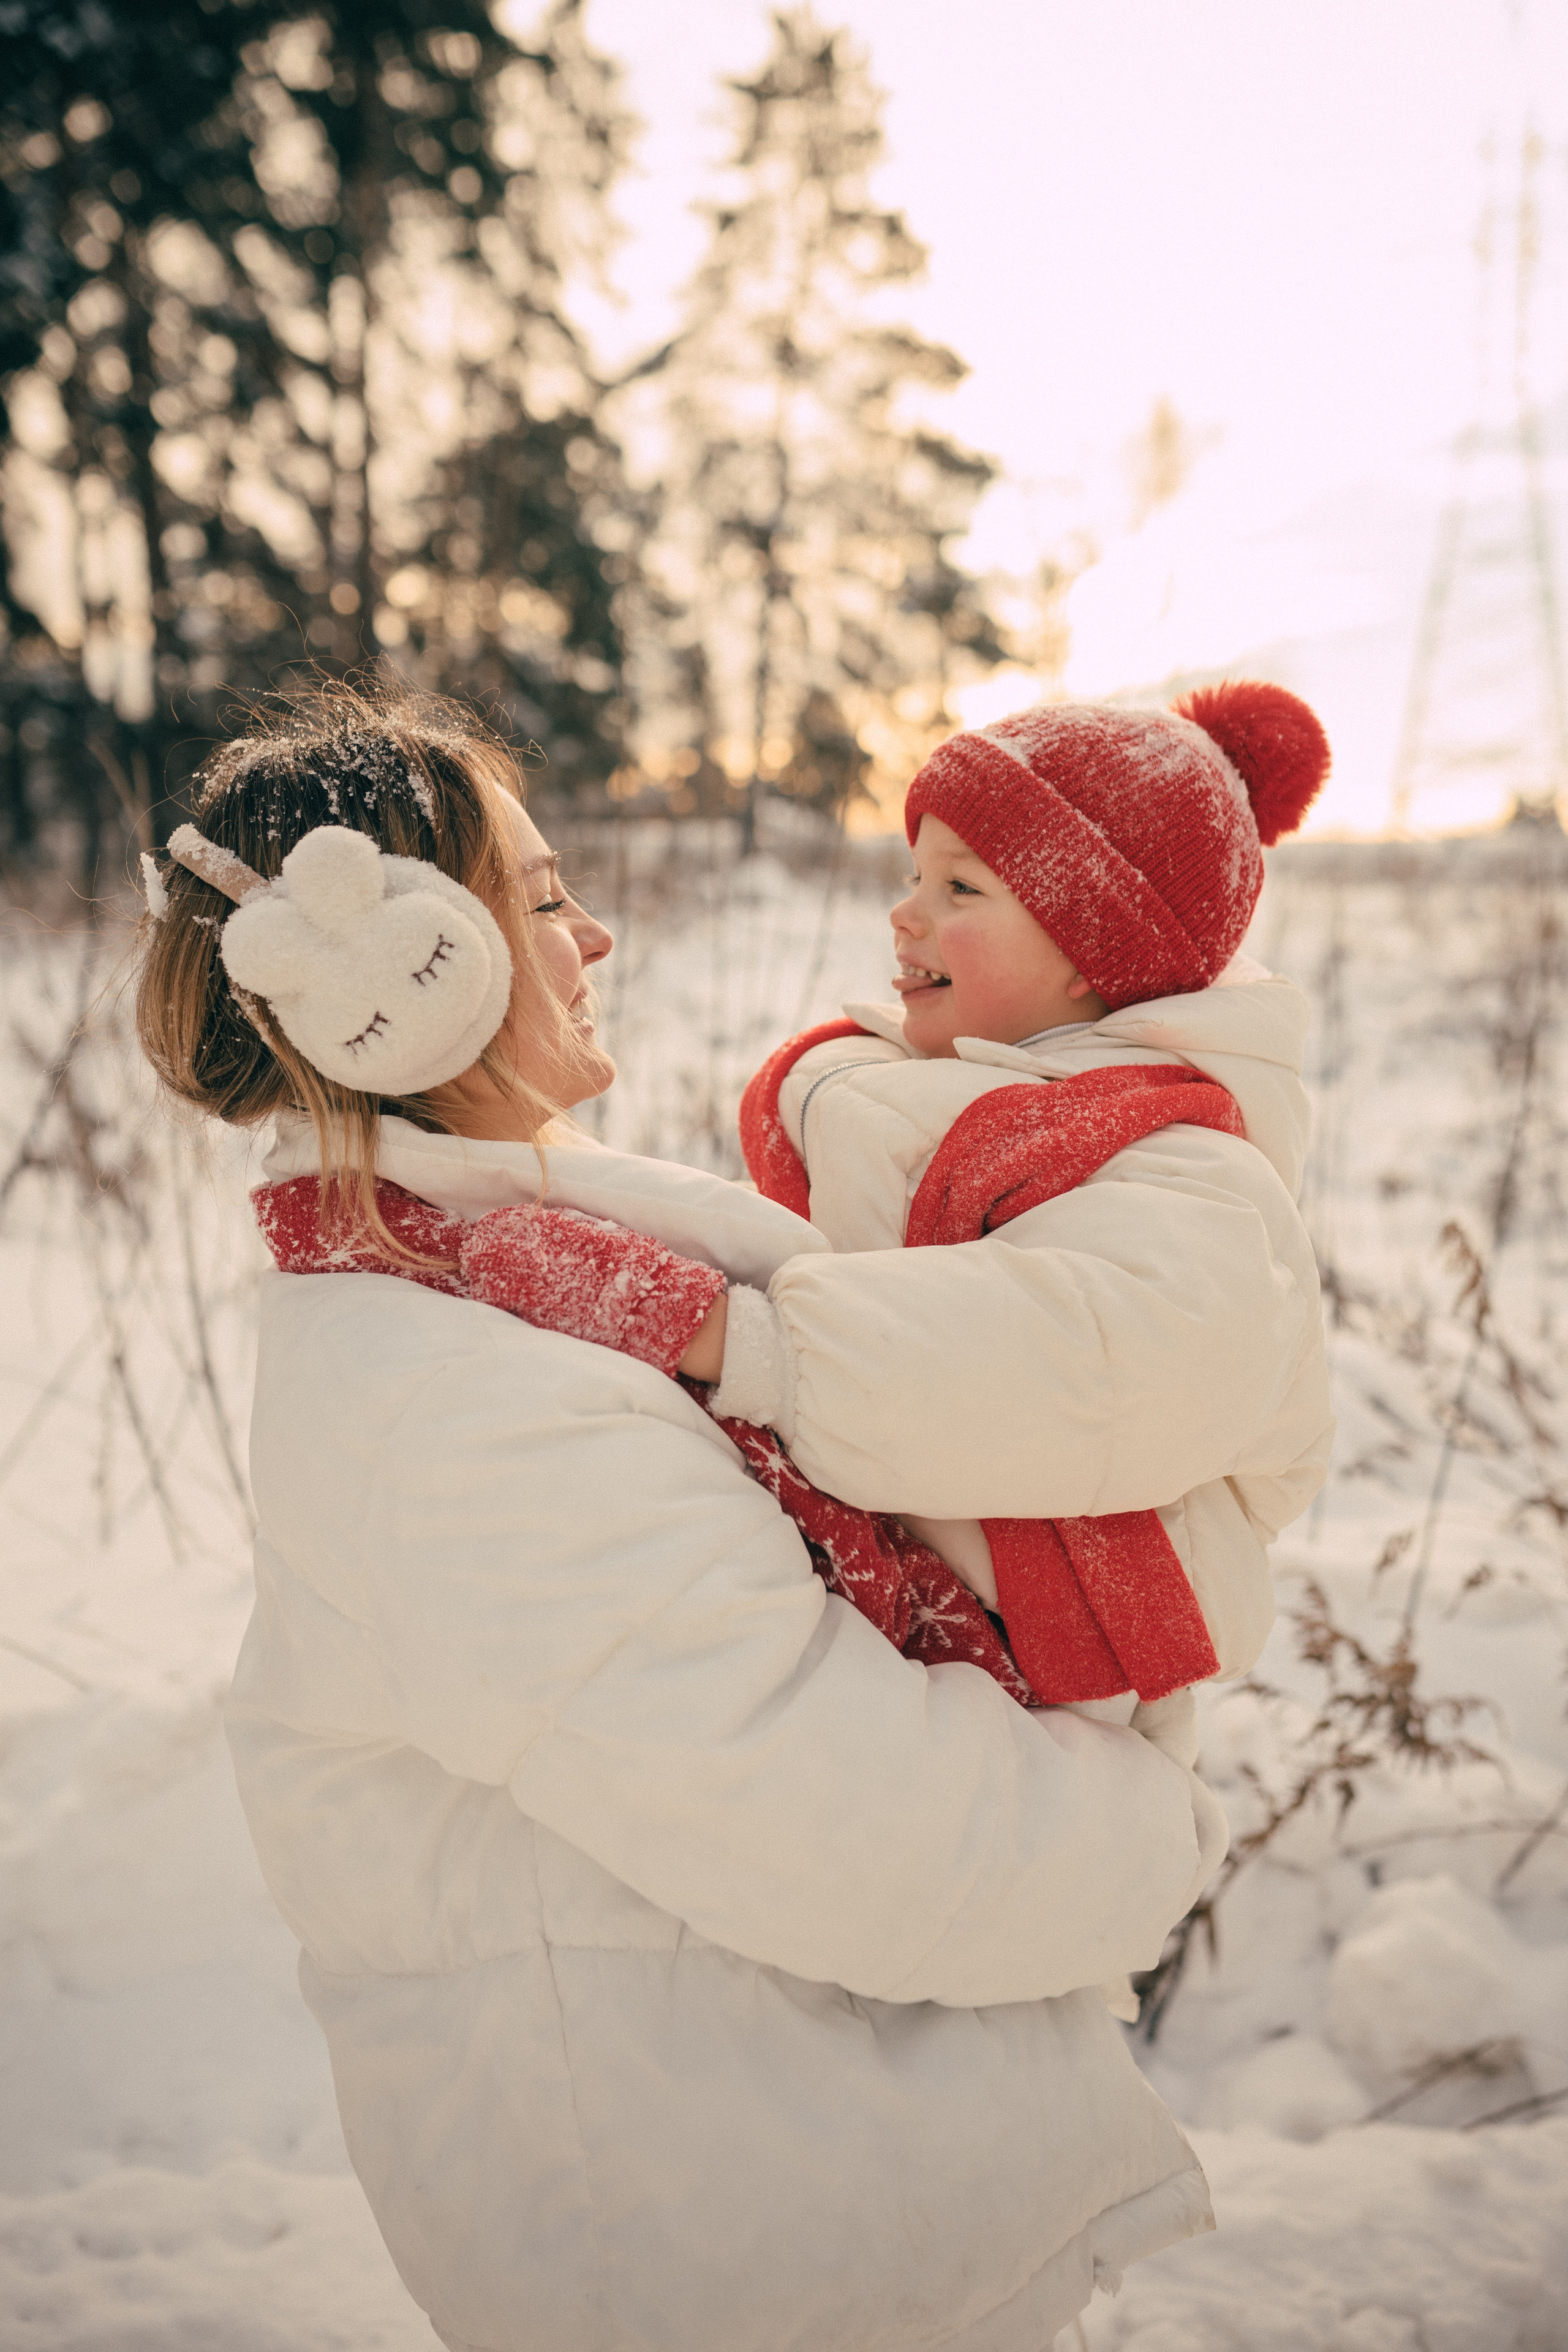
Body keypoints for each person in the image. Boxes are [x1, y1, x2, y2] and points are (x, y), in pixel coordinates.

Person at [136, 684, 1230, 2352]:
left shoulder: (496, 1284)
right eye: (548, 896)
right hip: (740, 2247)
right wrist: (1152, 1823)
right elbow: (875, 1842)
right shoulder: (463, 1414)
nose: (604, 935)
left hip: (785, 2187)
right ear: (414, 972)